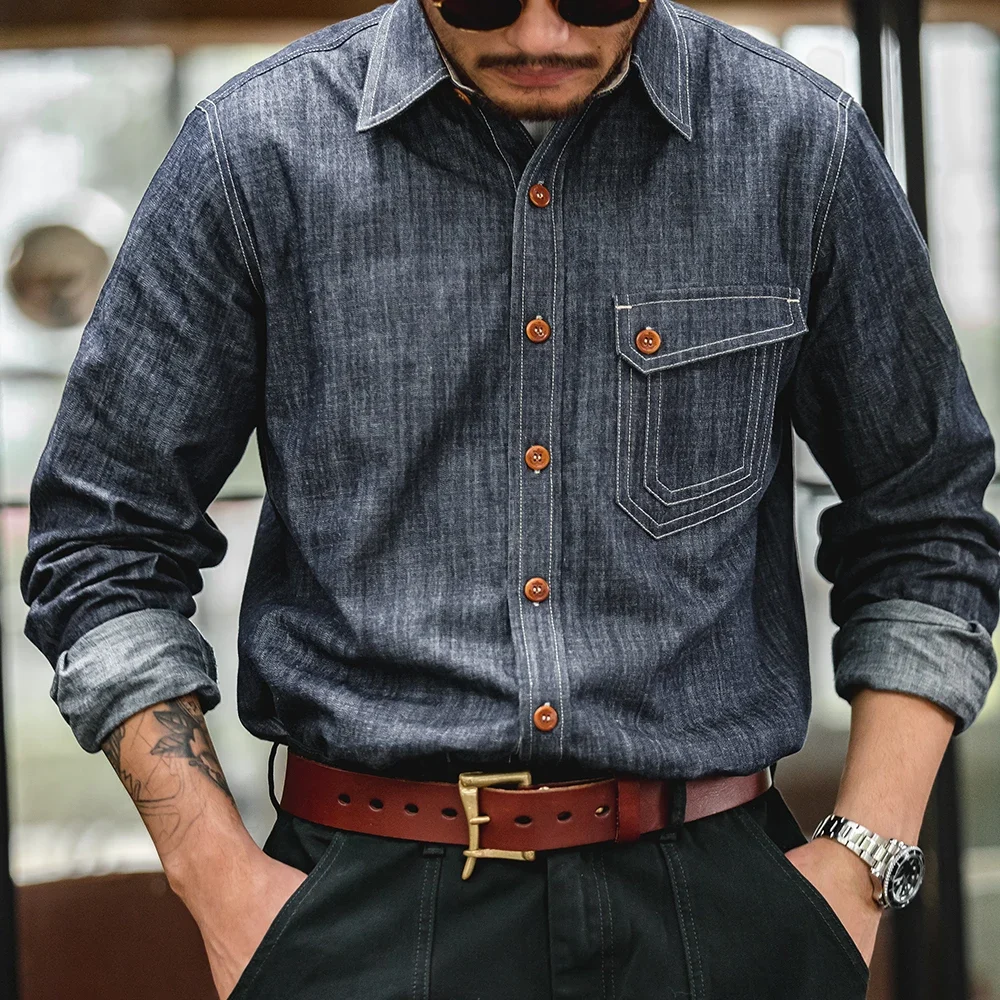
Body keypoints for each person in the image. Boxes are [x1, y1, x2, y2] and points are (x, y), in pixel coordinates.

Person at [20, 0, 1000, 997]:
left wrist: (861, 867)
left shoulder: (799, 144)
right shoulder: (252, 153)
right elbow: (101, 542)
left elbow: (928, 522)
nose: (539, 37)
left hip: (716, 905)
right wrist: (218, 879)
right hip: (363, 909)